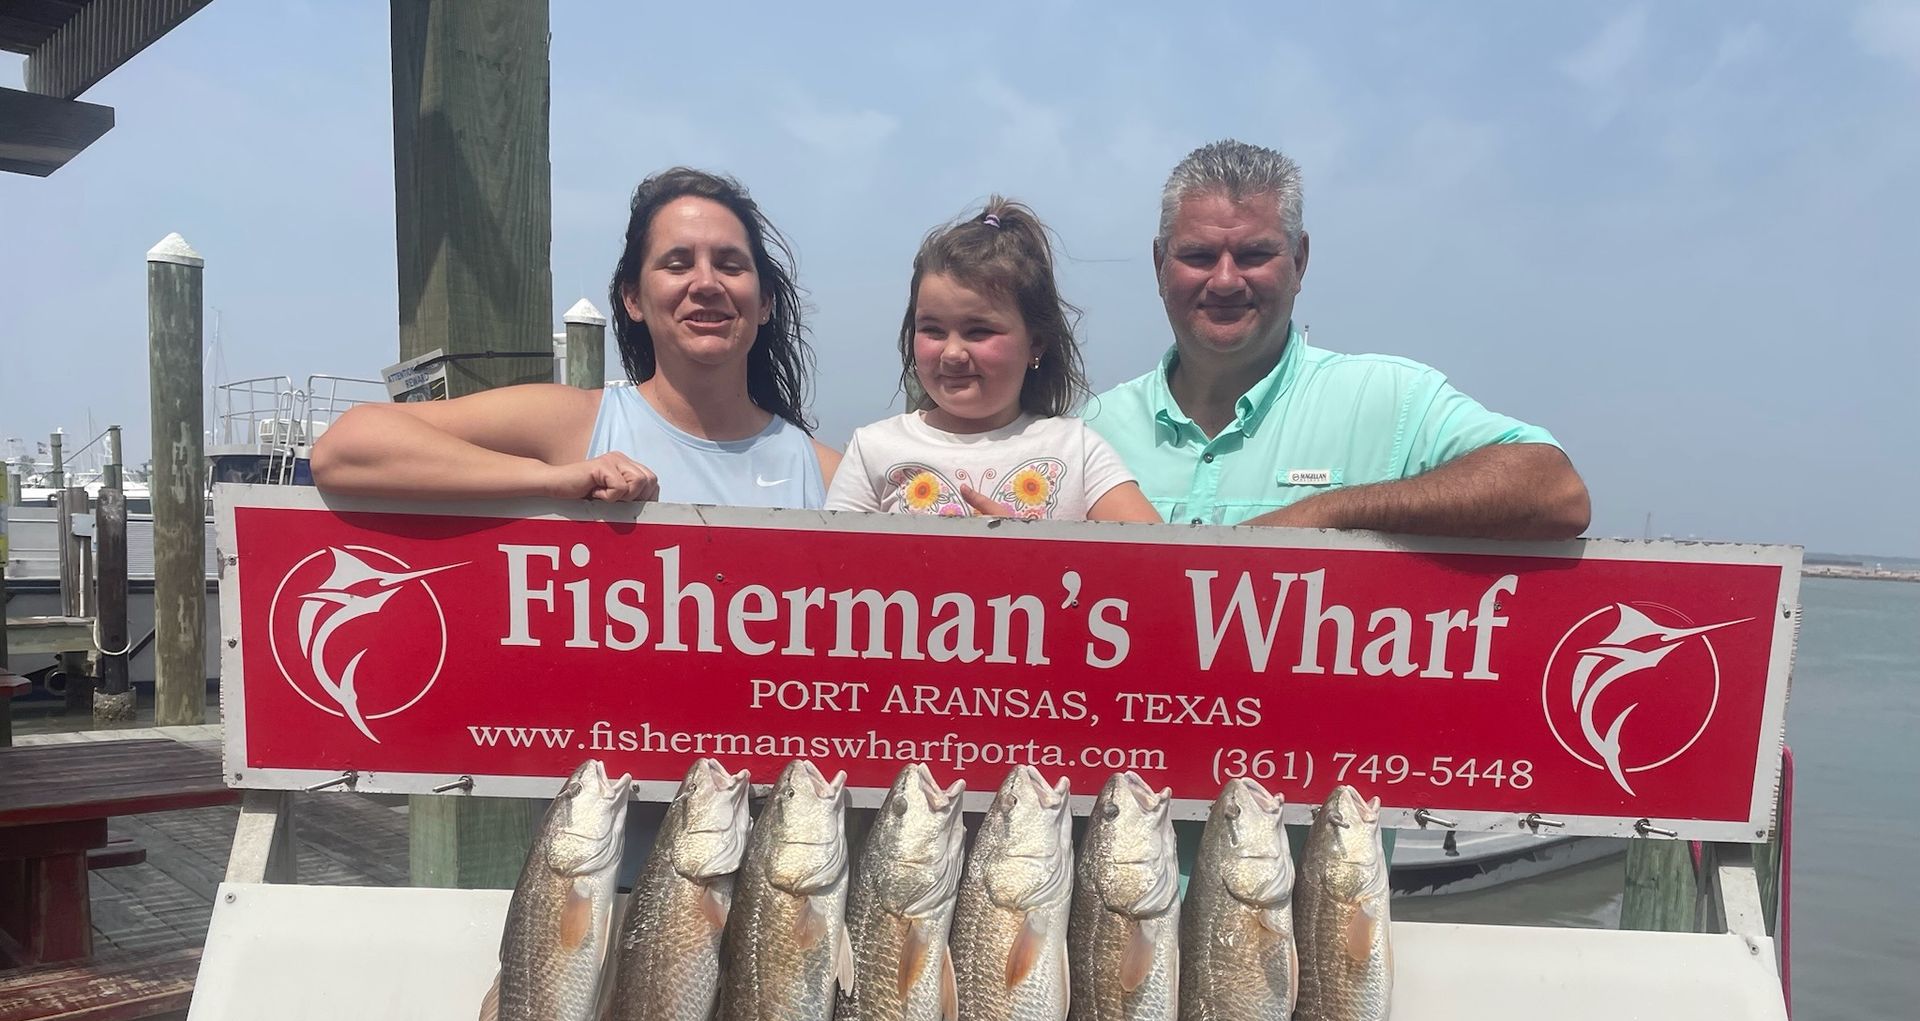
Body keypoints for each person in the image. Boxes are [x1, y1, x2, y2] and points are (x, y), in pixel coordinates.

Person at [1087, 139, 1589, 537]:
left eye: (1254, 255)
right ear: (1159, 265)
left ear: (1300, 261)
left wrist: (1322, 516)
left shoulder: (1390, 401)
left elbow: (1554, 489)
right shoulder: (1088, 431)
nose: (1224, 280)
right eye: (1197, 256)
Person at [312, 166, 837, 506]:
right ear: (633, 298)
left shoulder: (829, 475)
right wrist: (554, 480)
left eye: (729, 264)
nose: (706, 284)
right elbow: (345, 449)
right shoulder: (573, 428)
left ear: (765, 300)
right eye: (677, 264)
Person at [825, 198, 1158, 523]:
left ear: (1036, 343)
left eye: (978, 331)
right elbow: (826, 564)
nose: (952, 353)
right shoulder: (872, 450)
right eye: (933, 330)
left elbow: (1162, 560)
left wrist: (1028, 554)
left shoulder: (1078, 450)